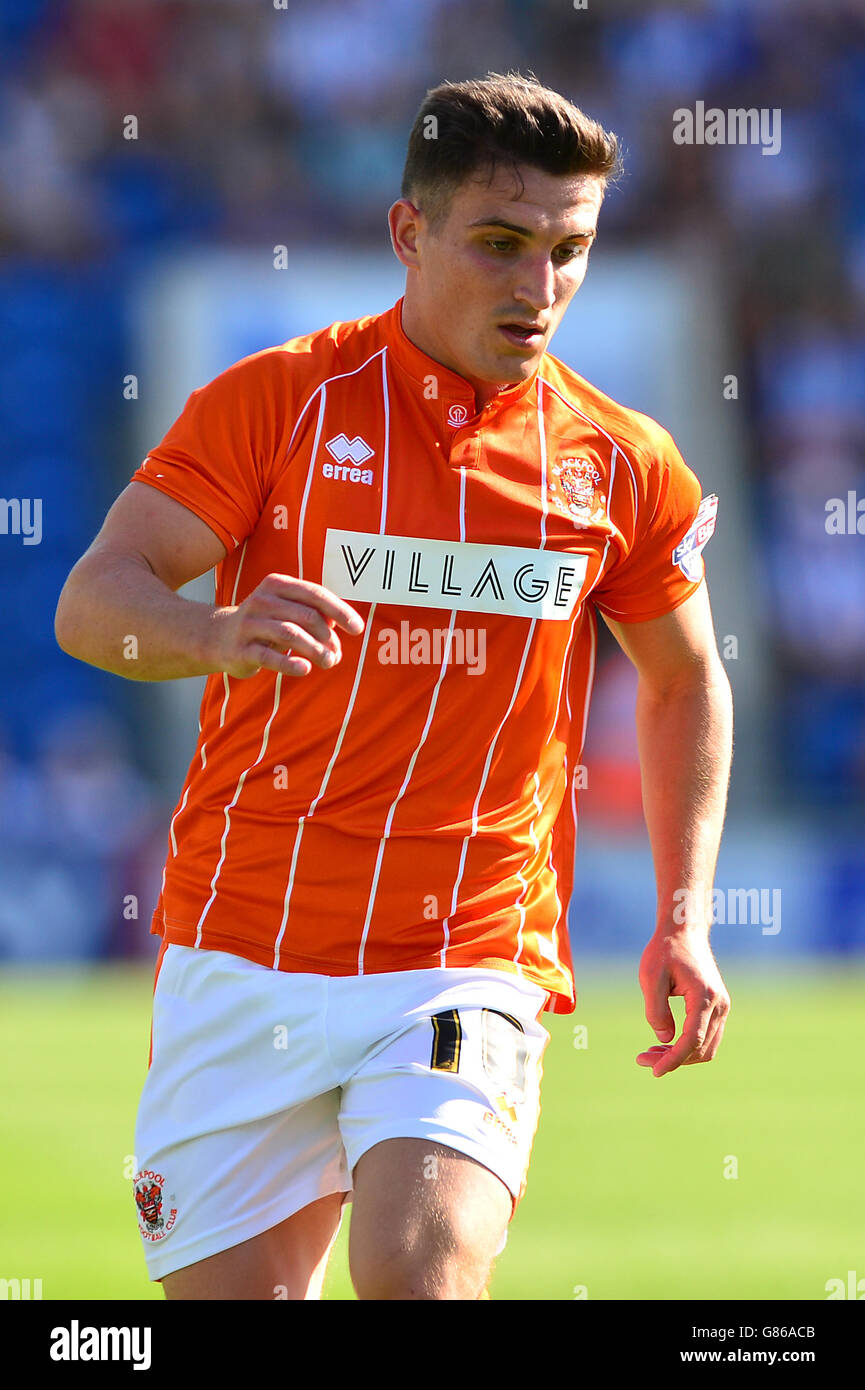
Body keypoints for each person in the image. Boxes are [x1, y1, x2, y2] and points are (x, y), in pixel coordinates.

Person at [54, 71, 733, 1301]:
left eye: (569, 251)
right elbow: (94, 601)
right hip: (241, 945)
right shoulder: (274, 404)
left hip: (461, 950)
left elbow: (688, 681)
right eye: (501, 244)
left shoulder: (623, 465)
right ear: (407, 233)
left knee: (417, 1269)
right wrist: (211, 633)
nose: (539, 289)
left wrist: (684, 909)